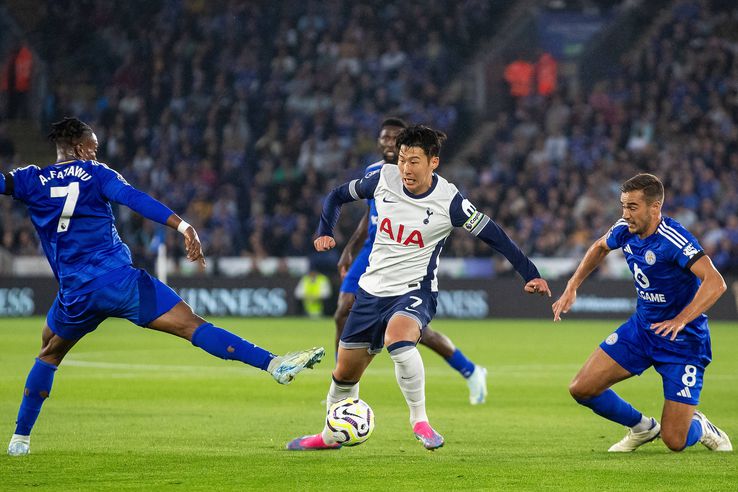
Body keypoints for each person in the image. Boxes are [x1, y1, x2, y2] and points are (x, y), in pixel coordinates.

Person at [4, 117, 325, 457]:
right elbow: (134, 198)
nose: (96, 156)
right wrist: (183, 226)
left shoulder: (29, 179)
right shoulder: (97, 174)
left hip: (76, 293)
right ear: (81, 148)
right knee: (193, 326)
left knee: (49, 353)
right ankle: (273, 365)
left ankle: (19, 441)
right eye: (94, 150)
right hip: (119, 281)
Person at [288, 125, 550, 451]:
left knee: (398, 339)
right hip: (371, 290)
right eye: (401, 160)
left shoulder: (450, 202)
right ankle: (328, 436)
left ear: (433, 162)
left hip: (415, 290)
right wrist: (324, 230)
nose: (406, 169)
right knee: (343, 376)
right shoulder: (383, 179)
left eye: (414, 161)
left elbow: (495, 235)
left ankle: (420, 421)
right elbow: (337, 196)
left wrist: (531, 274)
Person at [552, 173, 732, 453]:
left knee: (675, 441)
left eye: (632, 207)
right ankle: (641, 427)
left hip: (682, 342)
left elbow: (716, 282)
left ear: (655, 207)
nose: (625, 214)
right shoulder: (625, 228)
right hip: (642, 331)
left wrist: (681, 319)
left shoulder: (673, 239)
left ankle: (701, 425)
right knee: (581, 388)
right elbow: (599, 247)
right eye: (623, 206)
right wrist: (573, 285)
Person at [336, 117, 488, 405]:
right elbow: (370, 216)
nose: (389, 143)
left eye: (395, 138)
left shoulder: (417, 179)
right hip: (372, 250)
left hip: (402, 254)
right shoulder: (375, 173)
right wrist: (350, 248)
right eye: (384, 137)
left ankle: (469, 369)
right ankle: (343, 386)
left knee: (416, 333)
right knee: (342, 310)